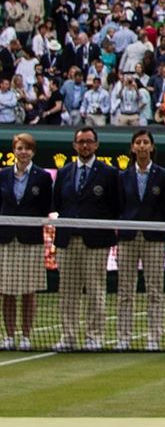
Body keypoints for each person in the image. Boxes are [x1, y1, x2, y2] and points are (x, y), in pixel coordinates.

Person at [51, 127, 120, 350]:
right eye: (81, 142)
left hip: (96, 242)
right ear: (74, 145)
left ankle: (94, 336)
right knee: (68, 292)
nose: (85, 146)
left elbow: (115, 206)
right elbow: (59, 204)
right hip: (68, 240)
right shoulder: (64, 173)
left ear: (96, 145)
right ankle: (68, 336)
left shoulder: (109, 173)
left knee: (95, 290)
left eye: (89, 142)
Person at [116, 129, 165, 351]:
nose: (141, 146)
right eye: (138, 142)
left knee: (155, 291)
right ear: (132, 148)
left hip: (154, 238)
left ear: (152, 147)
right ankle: (123, 337)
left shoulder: (163, 175)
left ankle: (154, 337)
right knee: (125, 291)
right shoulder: (122, 176)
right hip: (128, 237)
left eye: (145, 142)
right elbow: (119, 206)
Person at [0, 132, 52, 350]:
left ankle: (26, 336)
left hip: (31, 240)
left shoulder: (43, 177)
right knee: (7, 291)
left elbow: (45, 207)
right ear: (14, 150)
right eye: (20, 148)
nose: (23, 152)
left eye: (27, 148)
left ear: (33, 152)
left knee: (29, 291)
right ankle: (9, 336)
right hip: (6, 239)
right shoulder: (2, 175)